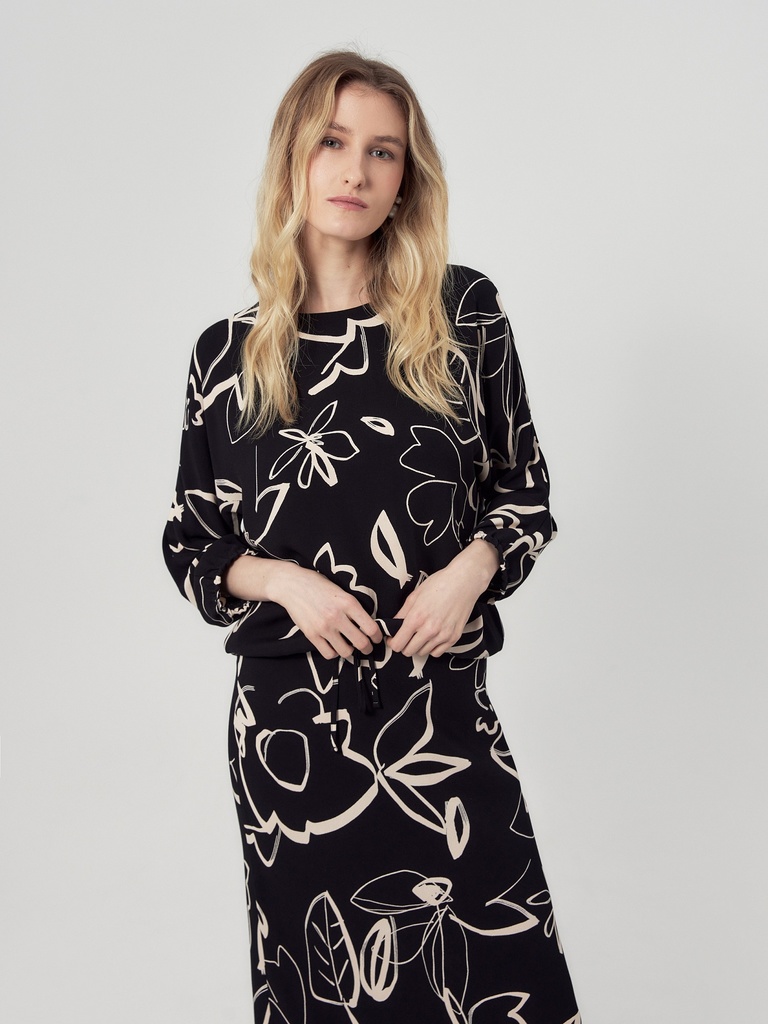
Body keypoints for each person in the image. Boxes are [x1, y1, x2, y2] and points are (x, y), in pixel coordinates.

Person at [163, 49, 581, 1024]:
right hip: (293, 739)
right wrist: (282, 581)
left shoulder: (463, 314)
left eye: (383, 152)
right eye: (333, 142)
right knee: (331, 993)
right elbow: (192, 540)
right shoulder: (226, 357)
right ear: (294, 159)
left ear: (405, 180)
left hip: (441, 718)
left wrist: (470, 571)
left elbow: (524, 493)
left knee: (499, 983)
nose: (355, 171)